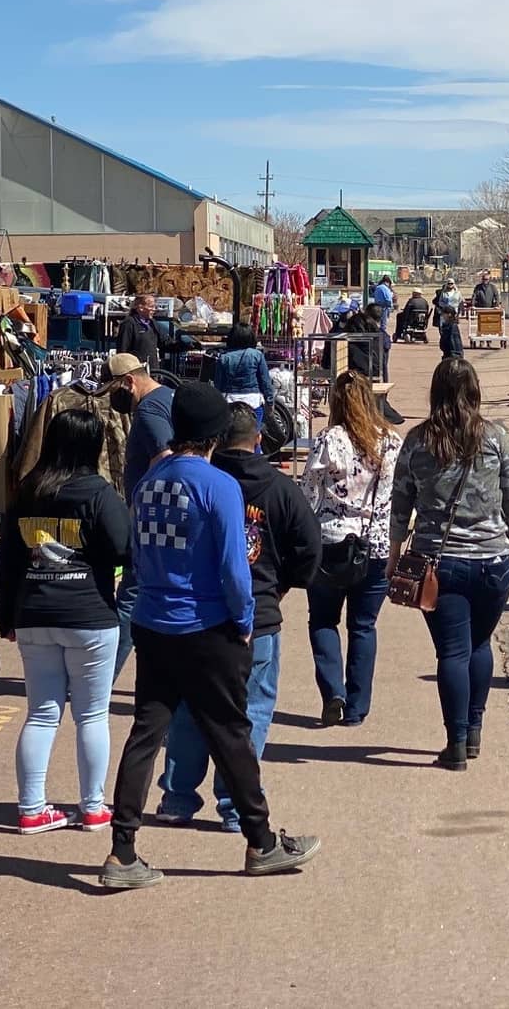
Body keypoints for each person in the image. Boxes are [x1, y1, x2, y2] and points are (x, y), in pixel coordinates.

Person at [102, 382, 320, 889]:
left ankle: (122, 848)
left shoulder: (151, 479)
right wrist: (244, 621)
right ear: (215, 435)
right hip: (206, 625)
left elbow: (139, 552)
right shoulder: (218, 485)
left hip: (153, 620)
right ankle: (261, 840)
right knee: (231, 733)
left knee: (145, 735)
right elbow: (232, 567)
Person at [156, 406, 321, 830]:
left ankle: (177, 797)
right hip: (259, 613)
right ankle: (234, 804)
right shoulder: (280, 489)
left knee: (191, 707)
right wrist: (285, 583)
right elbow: (309, 545)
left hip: (199, 612)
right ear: (259, 439)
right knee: (252, 711)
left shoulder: (200, 481)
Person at [392, 358, 509, 771]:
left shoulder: (417, 441)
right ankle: (474, 730)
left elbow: (400, 503)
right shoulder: (495, 437)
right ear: (474, 390)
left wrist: (394, 554)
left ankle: (455, 743)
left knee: (452, 652)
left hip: (439, 562)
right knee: (480, 644)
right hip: (493, 559)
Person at [0, 409, 132, 835]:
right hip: (89, 614)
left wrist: (5, 616)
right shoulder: (98, 492)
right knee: (91, 715)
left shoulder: (28, 490)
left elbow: (7, 560)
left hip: (34, 613)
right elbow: (124, 547)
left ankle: (32, 808)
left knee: (41, 714)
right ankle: (93, 807)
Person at [302, 372, 402, 727]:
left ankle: (334, 691)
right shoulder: (391, 441)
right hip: (375, 544)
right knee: (363, 626)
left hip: (330, 542)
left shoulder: (328, 440)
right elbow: (395, 495)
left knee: (323, 620)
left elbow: (309, 494)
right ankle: (357, 707)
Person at [112, 351, 175, 689]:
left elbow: (164, 457)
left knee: (129, 598)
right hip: (166, 519)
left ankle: (103, 677)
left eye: (114, 389)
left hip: (151, 520)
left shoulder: (149, 410)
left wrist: (140, 505)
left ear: (129, 382)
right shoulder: (168, 396)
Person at [213, 322, 276, 425]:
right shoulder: (257, 355)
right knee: (253, 432)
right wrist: (270, 402)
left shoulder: (224, 357)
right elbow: (265, 382)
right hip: (253, 402)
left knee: (231, 432)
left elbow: (218, 384)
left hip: (230, 402)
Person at [115, 292, 161, 370]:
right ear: (141, 308)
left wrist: (181, 345)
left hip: (152, 369)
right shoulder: (129, 323)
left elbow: (163, 342)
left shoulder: (153, 323)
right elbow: (123, 350)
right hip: (136, 369)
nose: (154, 309)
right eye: (151, 306)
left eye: (155, 307)